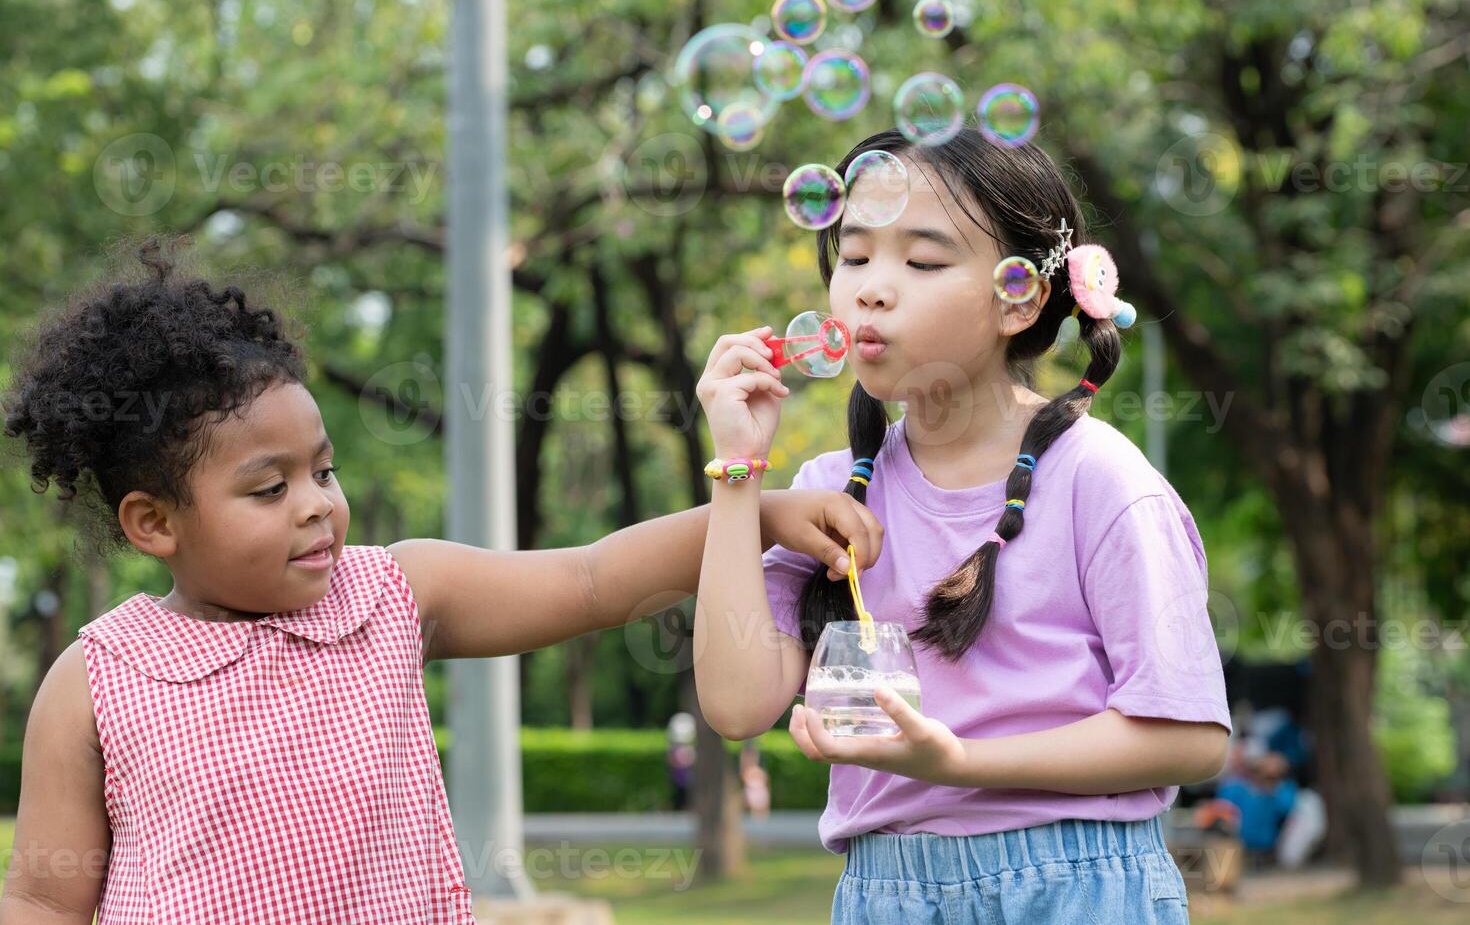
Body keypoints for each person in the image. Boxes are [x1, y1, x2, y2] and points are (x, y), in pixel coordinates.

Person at [0, 239, 881, 923]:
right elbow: (43, 900)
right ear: (154, 522)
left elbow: (590, 577)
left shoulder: (390, 597)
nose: (315, 506)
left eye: (325, 471)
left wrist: (753, 511)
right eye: (269, 489)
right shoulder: (96, 681)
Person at [692, 128, 1232, 923]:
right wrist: (739, 472)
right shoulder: (826, 491)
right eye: (855, 255)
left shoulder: (1100, 482)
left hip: (1075, 885)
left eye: (922, 262)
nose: (872, 289)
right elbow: (738, 707)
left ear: (1020, 297)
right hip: (886, 894)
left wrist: (957, 761)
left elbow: (1190, 738)